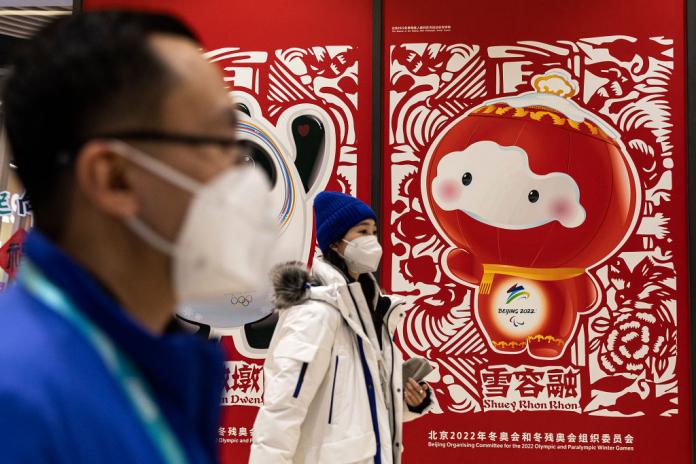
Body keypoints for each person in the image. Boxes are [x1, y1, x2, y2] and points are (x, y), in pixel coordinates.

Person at [0, 10, 276, 463]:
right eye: (218, 142)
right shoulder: (19, 403)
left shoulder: (151, 368)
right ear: (114, 178)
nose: (242, 176)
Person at [251, 191, 436, 464]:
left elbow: (360, 403)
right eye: (362, 231)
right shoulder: (316, 312)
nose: (371, 240)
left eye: (374, 231)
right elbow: (283, 405)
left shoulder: (370, 310)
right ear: (336, 243)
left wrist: (410, 401)